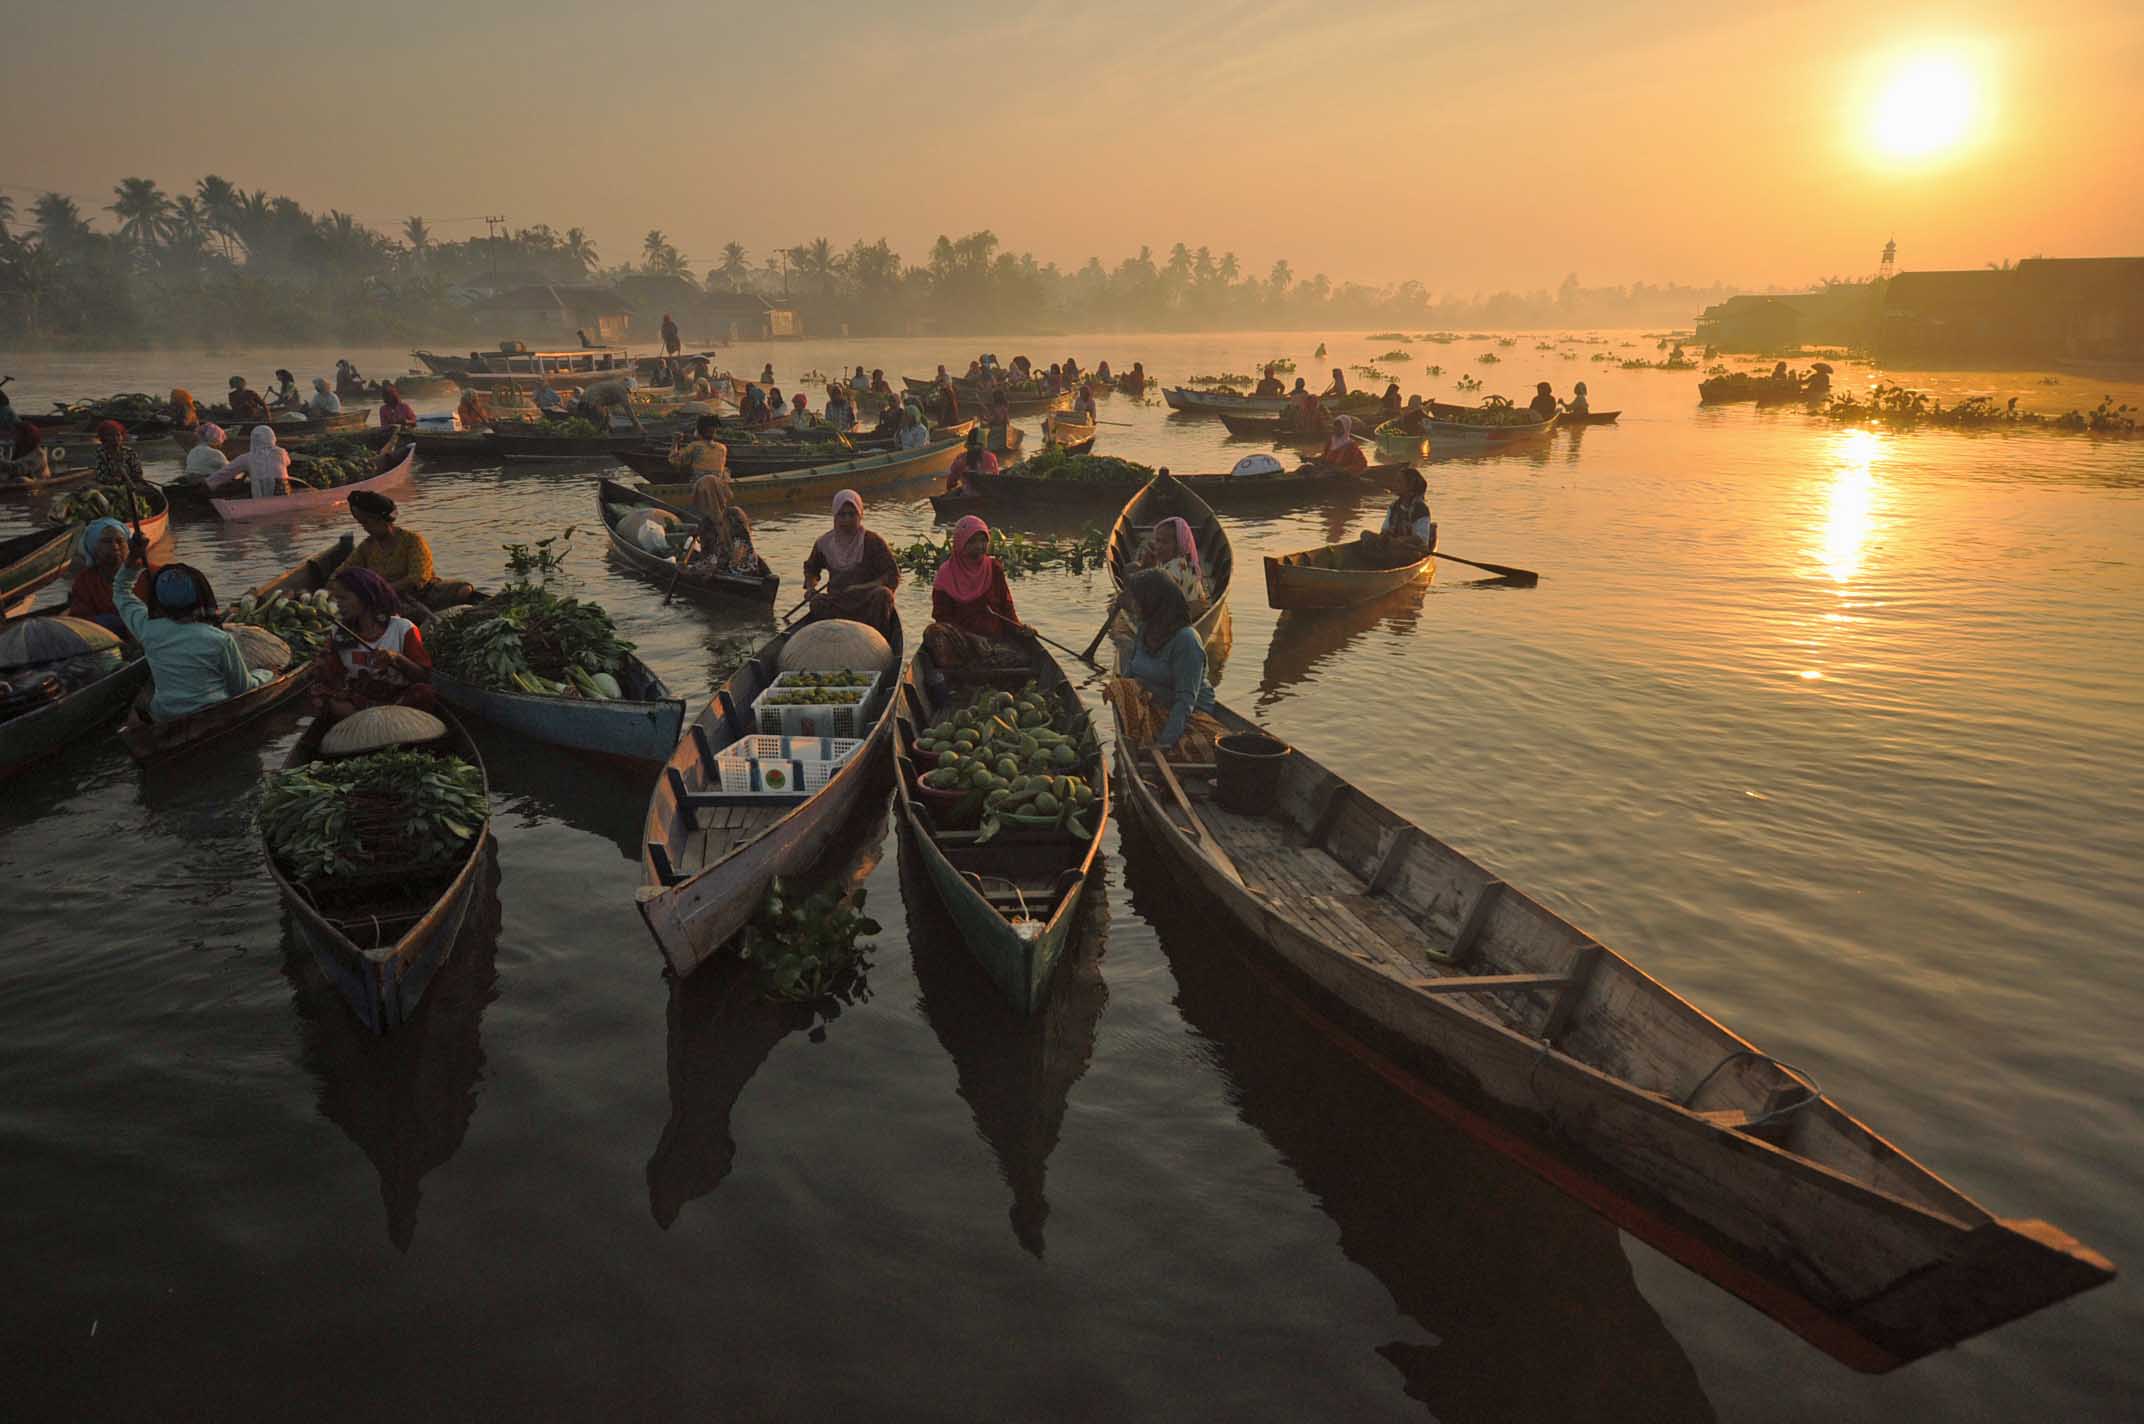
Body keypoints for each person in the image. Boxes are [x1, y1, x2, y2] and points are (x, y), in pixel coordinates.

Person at [113, 556, 256, 721]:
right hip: (213, 710)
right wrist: (265, 674)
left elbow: (121, 592)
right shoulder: (220, 640)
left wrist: (132, 561)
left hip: (165, 714)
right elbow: (243, 689)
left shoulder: (148, 629)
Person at [1104, 569, 1221, 759]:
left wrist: (1163, 744)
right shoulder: (1146, 628)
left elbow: (1184, 702)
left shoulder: (1186, 640)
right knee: (1120, 687)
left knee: (1194, 748)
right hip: (1154, 702)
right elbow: (1130, 672)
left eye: (1138, 600)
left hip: (1188, 715)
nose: (1134, 605)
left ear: (1154, 602)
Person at [308, 566, 435, 726]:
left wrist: (397, 658)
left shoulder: (402, 628)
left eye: (344, 598)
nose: (338, 604)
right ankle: (371, 721)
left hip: (397, 700)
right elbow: (336, 680)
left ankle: (375, 722)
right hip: (359, 700)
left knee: (424, 693)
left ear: (365, 597)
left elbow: (424, 677)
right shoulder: (339, 633)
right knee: (318, 693)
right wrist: (322, 666)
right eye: (336, 599)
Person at [344, 489, 475, 616]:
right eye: (362, 524)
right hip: (390, 600)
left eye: (367, 523)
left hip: (424, 594)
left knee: (463, 589)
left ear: (381, 520)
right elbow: (343, 571)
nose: (365, 528)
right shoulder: (366, 547)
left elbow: (417, 578)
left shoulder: (412, 541)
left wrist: (383, 589)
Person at [924, 514, 1026, 670]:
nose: (979, 546)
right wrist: (971, 638)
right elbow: (941, 617)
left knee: (1020, 655)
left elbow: (1007, 608)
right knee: (933, 632)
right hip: (962, 641)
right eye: (972, 541)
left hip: (992, 642)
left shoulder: (994, 568)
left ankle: (981, 666)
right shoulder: (946, 573)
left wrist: (1020, 628)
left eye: (983, 540)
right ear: (960, 543)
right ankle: (963, 669)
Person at [801, 489, 900, 639]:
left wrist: (861, 587)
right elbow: (811, 569)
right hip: (838, 601)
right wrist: (811, 588)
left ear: (860, 515)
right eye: (842, 514)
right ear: (835, 516)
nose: (847, 520)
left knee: (883, 595)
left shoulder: (872, 541)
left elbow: (892, 575)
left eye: (852, 514)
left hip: (866, 600)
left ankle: (877, 640)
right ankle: (832, 639)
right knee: (817, 603)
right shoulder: (824, 543)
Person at [66, 518, 158, 632]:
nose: (115, 547)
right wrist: (100, 623)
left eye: (120, 541)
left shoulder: (150, 573)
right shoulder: (85, 581)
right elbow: (79, 622)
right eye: (106, 542)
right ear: (93, 547)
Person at [1360, 466, 1436, 565]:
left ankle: (1381, 561)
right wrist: (1384, 536)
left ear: (1410, 487)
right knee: (1366, 535)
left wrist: (1401, 541)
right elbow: (1385, 530)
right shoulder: (1394, 507)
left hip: (1412, 550)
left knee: (1397, 553)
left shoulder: (1420, 509)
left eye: (1399, 482)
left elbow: (1421, 538)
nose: (1395, 485)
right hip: (1393, 546)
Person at [205, 424, 292, 499]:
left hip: (260, 493)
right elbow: (288, 462)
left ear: (253, 439)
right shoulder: (281, 452)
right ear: (272, 437)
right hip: (283, 491)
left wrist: (209, 482)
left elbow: (226, 472)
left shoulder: (247, 458)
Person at [671, 416, 732, 516]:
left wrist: (675, 442)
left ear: (698, 431)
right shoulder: (722, 448)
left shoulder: (694, 446)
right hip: (717, 489)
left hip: (699, 489)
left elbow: (674, 461)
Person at [578, 376, 645, 434]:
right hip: (591, 403)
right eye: (629, 392)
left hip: (585, 401)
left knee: (603, 423)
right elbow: (628, 410)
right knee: (599, 427)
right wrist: (639, 426)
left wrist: (608, 421)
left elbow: (605, 405)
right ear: (628, 387)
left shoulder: (615, 385)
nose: (628, 394)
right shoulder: (621, 389)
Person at [92, 420, 146, 487]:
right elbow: (101, 476)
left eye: (118, 435)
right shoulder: (102, 453)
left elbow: (138, 472)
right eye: (110, 435)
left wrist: (135, 477)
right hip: (111, 486)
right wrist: (115, 480)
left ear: (122, 436)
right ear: (104, 438)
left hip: (131, 484)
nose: (115, 438)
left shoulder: (129, 452)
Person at [944, 428, 999, 494]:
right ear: (984, 444)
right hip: (987, 494)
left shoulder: (961, 459)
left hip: (967, 495)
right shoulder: (991, 458)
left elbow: (950, 483)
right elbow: (996, 479)